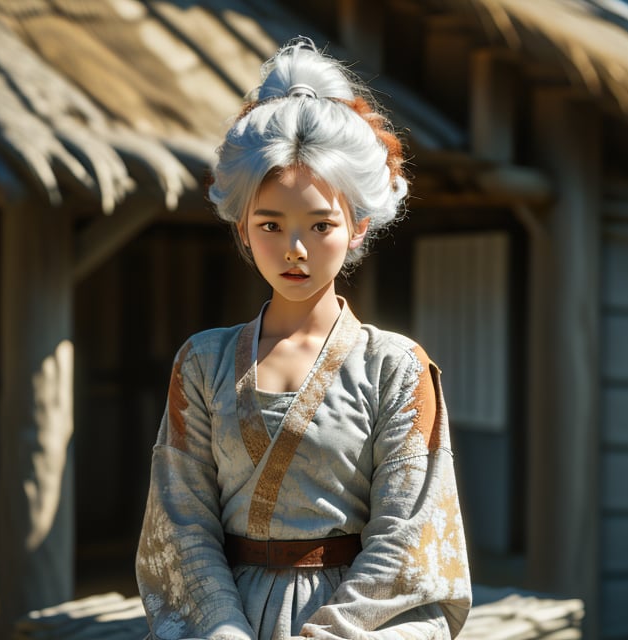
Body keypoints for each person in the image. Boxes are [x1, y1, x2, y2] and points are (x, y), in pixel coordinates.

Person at [136, 37, 471, 640]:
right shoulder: (202, 362)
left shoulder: (395, 368)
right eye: (271, 225)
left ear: (359, 226)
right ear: (242, 226)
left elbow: (408, 540)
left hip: (354, 622)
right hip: (223, 620)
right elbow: (182, 523)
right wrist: (220, 629)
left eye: (321, 225)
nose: (296, 249)